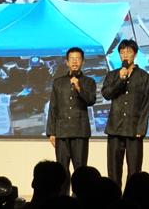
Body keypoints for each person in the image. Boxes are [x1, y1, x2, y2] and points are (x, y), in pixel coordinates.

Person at [102, 39, 149, 187]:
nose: (125, 55)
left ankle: (132, 198)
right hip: (115, 129)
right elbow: (107, 94)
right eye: (122, 52)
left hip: (134, 129)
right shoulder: (112, 75)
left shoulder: (144, 77)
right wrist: (120, 79)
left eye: (129, 52)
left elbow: (146, 104)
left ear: (135, 55)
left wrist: (141, 128)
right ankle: (113, 197)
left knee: (134, 171)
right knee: (113, 171)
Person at [46, 47, 97, 191]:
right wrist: (51, 132)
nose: (75, 62)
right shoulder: (58, 82)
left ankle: (80, 199)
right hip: (61, 132)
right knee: (61, 170)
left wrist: (79, 88)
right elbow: (53, 107)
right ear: (67, 62)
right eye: (72, 59)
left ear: (83, 62)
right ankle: (63, 199)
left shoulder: (89, 82)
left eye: (78, 59)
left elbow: (91, 100)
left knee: (80, 170)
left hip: (80, 131)